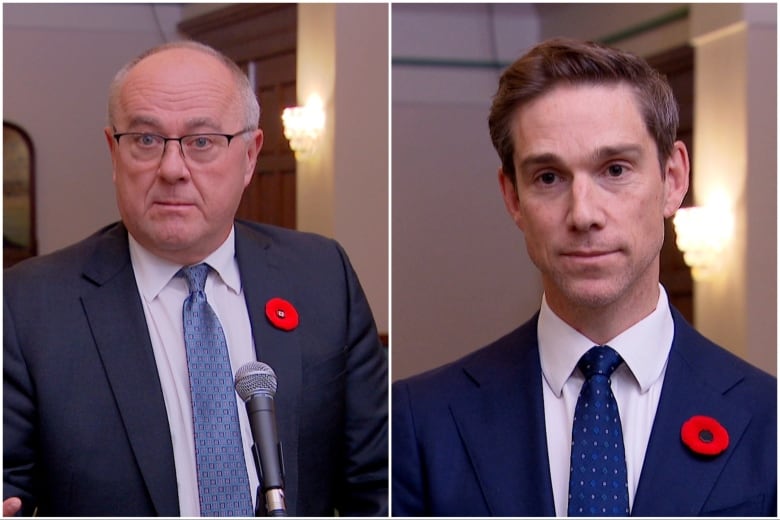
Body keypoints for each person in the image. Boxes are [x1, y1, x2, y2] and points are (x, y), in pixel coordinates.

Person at [392, 38, 776, 517]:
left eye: (615, 169)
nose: (583, 214)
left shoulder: (768, 418)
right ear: (513, 198)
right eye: (549, 178)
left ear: (673, 179)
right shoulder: (422, 420)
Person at [4, 41, 388, 517]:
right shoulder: (29, 306)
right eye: (146, 140)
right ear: (113, 152)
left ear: (250, 156)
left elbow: (378, 482)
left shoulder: (322, 276)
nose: (171, 169)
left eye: (202, 142)